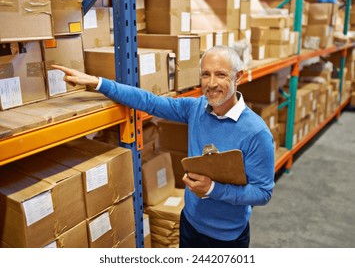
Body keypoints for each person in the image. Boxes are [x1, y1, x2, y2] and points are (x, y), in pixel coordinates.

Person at [52, 45, 275, 248]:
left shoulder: (256, 132)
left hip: (227, 237)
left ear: (238, 77)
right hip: (190, 222)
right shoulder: (196, 108)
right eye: (206, 74)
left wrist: (213, 190)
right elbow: (151, 102)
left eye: (221, 75)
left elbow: (263, 193)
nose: (212, 83)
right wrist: (98, 83)